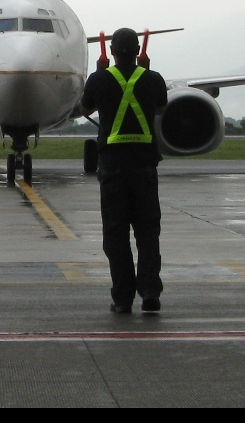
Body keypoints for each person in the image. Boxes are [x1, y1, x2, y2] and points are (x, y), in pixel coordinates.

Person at [80, 27, 168, 314]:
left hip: (113, 168)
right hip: (144, 167)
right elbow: (159, 108)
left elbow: (84, 109)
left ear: (112, 51)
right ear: (140, 50)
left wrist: (99, 72)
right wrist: (146, 71)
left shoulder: (100, 78)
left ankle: (122, 298)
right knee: (147, 233)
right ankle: (150, 292)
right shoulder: (152, 78)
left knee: (116, 236)